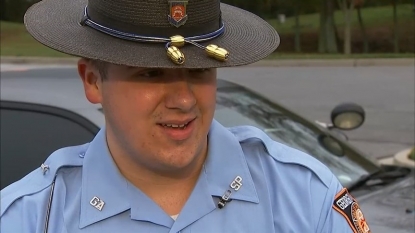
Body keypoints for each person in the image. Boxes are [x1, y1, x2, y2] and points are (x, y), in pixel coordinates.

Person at [0, 0, 371, 232]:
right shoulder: (32, 218)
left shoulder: (302, 196)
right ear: (94, 80)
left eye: (198, 72)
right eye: (150, 74)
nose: (183, 99)